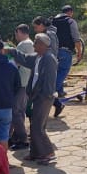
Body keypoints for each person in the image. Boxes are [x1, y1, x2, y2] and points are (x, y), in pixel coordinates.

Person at [26, 33, 58, 165]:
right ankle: (35, 152)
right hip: (36, 95)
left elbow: (50, 81)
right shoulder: (38, 57)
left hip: (44, 97)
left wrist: (45, 95)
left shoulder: (49, 59)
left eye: (36, 43)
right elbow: (24, 59)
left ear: (43, 45)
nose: (33, 45)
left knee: (38, 126)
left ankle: (47, 152)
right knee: (34, 125)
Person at [50, 5, 82, 108]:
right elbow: (76, 38)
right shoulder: (70, 21)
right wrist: (79, 51)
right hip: (65, 50)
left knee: (57, 71)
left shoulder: (53, 21)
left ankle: (60, 92)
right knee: (63, 70)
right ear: (70, 12)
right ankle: (52, 93)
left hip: (53, 51)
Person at [8, 24, 34, 149]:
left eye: (16, 33)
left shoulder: (22, 45)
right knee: (21, 110)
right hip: (27, 81)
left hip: (20, 82)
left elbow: (15, 63)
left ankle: (22, 139)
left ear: (19, 31)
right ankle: (16, 137)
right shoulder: (32, 43)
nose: (16, 36)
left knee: (16, 111)